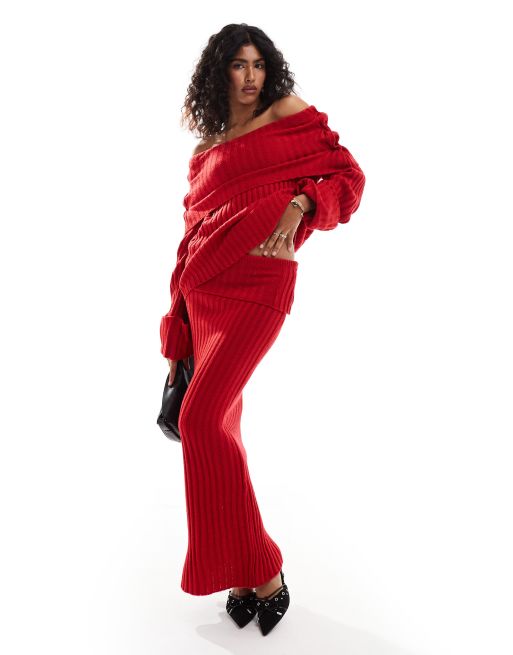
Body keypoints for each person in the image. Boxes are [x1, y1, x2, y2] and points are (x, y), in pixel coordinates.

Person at [159, 23, 366, 635]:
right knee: (216, 426)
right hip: (205, 293)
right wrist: (177, 337)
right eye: (237, 65)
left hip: (259, 288)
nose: (250, 77)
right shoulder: (206, 148)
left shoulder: (288, 114)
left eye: (257, 64)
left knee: (201, 419)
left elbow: (348, 178)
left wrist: (302, 204)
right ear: (218, 73)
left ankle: (264, 566)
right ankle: (246, 573)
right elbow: (189, 240)